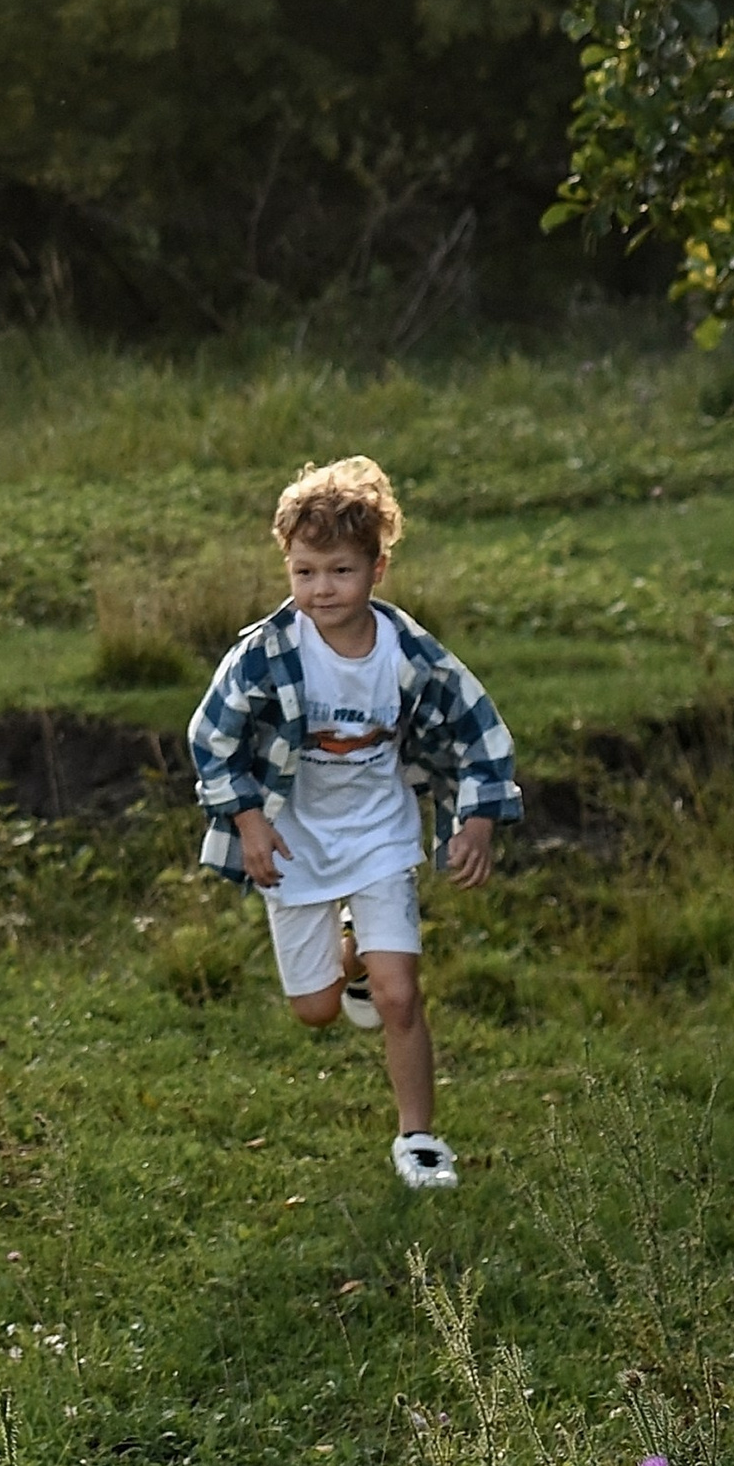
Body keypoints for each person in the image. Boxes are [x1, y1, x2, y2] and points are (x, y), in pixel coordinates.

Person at [187, 454, 520, 1191]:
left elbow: (481, 730)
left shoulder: (411, 655)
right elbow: (210, 739)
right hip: (294, 843)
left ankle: (420, 1139)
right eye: (304, 572)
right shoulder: (266, 655)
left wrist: (477, 822)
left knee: (402, 995)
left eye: (339, 571)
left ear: (377, 569)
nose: (320, 590)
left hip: (380, 836)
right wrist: (247, 822)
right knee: (314, 1011)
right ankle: (353, 960)